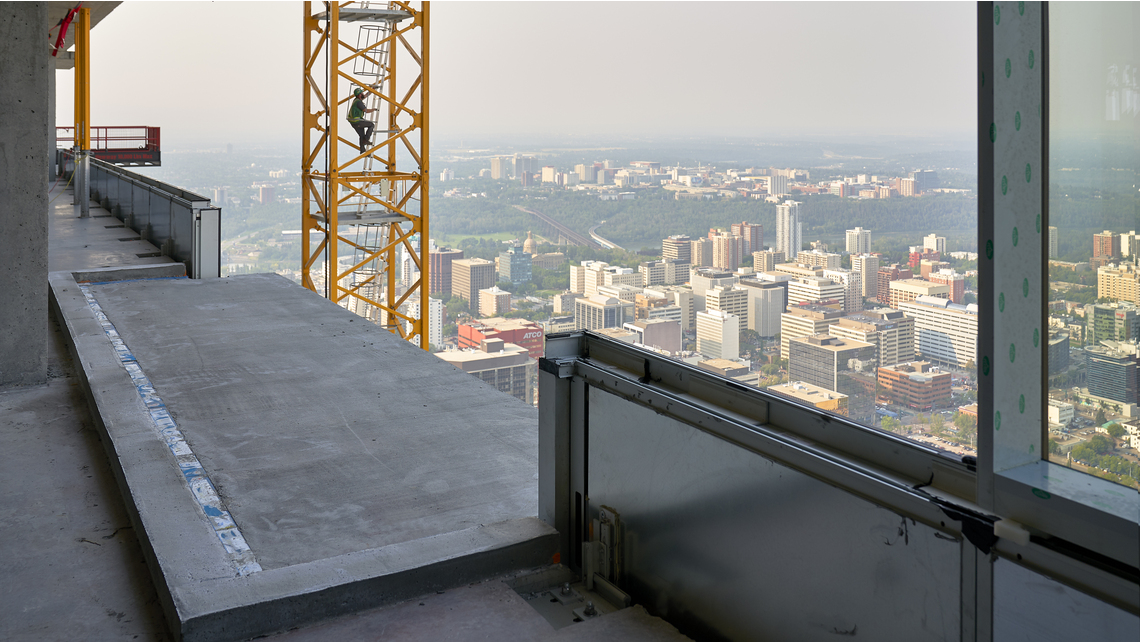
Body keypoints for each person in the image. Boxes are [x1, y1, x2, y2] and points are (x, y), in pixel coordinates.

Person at [347, 88, 376, 153]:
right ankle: (366, 139)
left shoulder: (356, 100)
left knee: (361, 135)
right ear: (359, 95)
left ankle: (362, 151)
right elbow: (366, 111)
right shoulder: (359, 103)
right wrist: (373, 110)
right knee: (371, 125)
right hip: (356, 121)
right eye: (361, 93)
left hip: (353, 122)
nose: (363, 94)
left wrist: (371, 90)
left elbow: (365, 95)